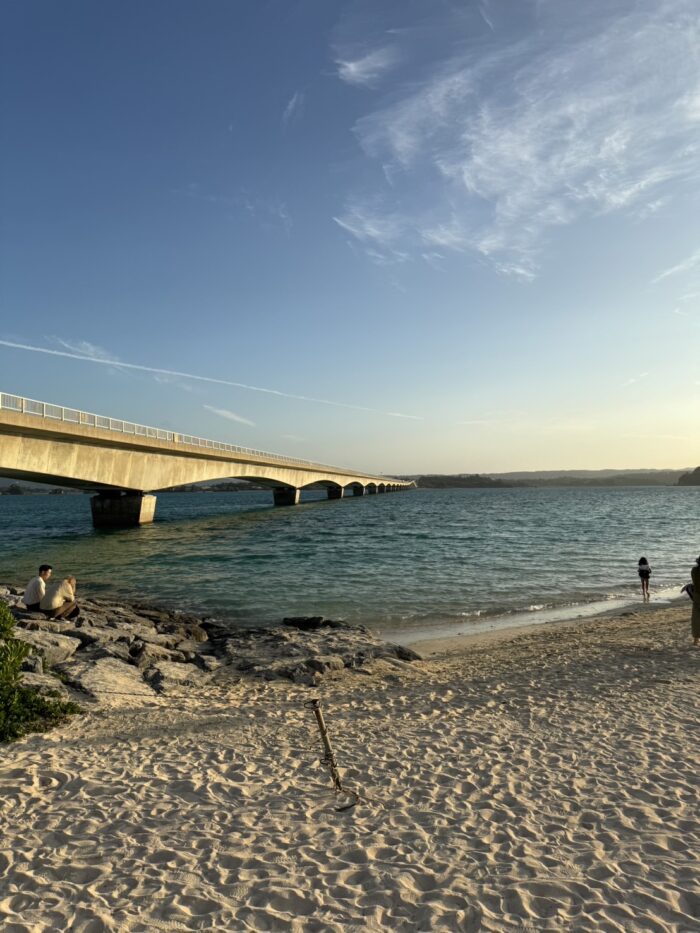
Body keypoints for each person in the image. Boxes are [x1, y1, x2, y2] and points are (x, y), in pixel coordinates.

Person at [691, 557, 700, 647]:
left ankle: (696, 640)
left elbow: (695, 582)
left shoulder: (694, 570)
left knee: (696, 618)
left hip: (697, 595)